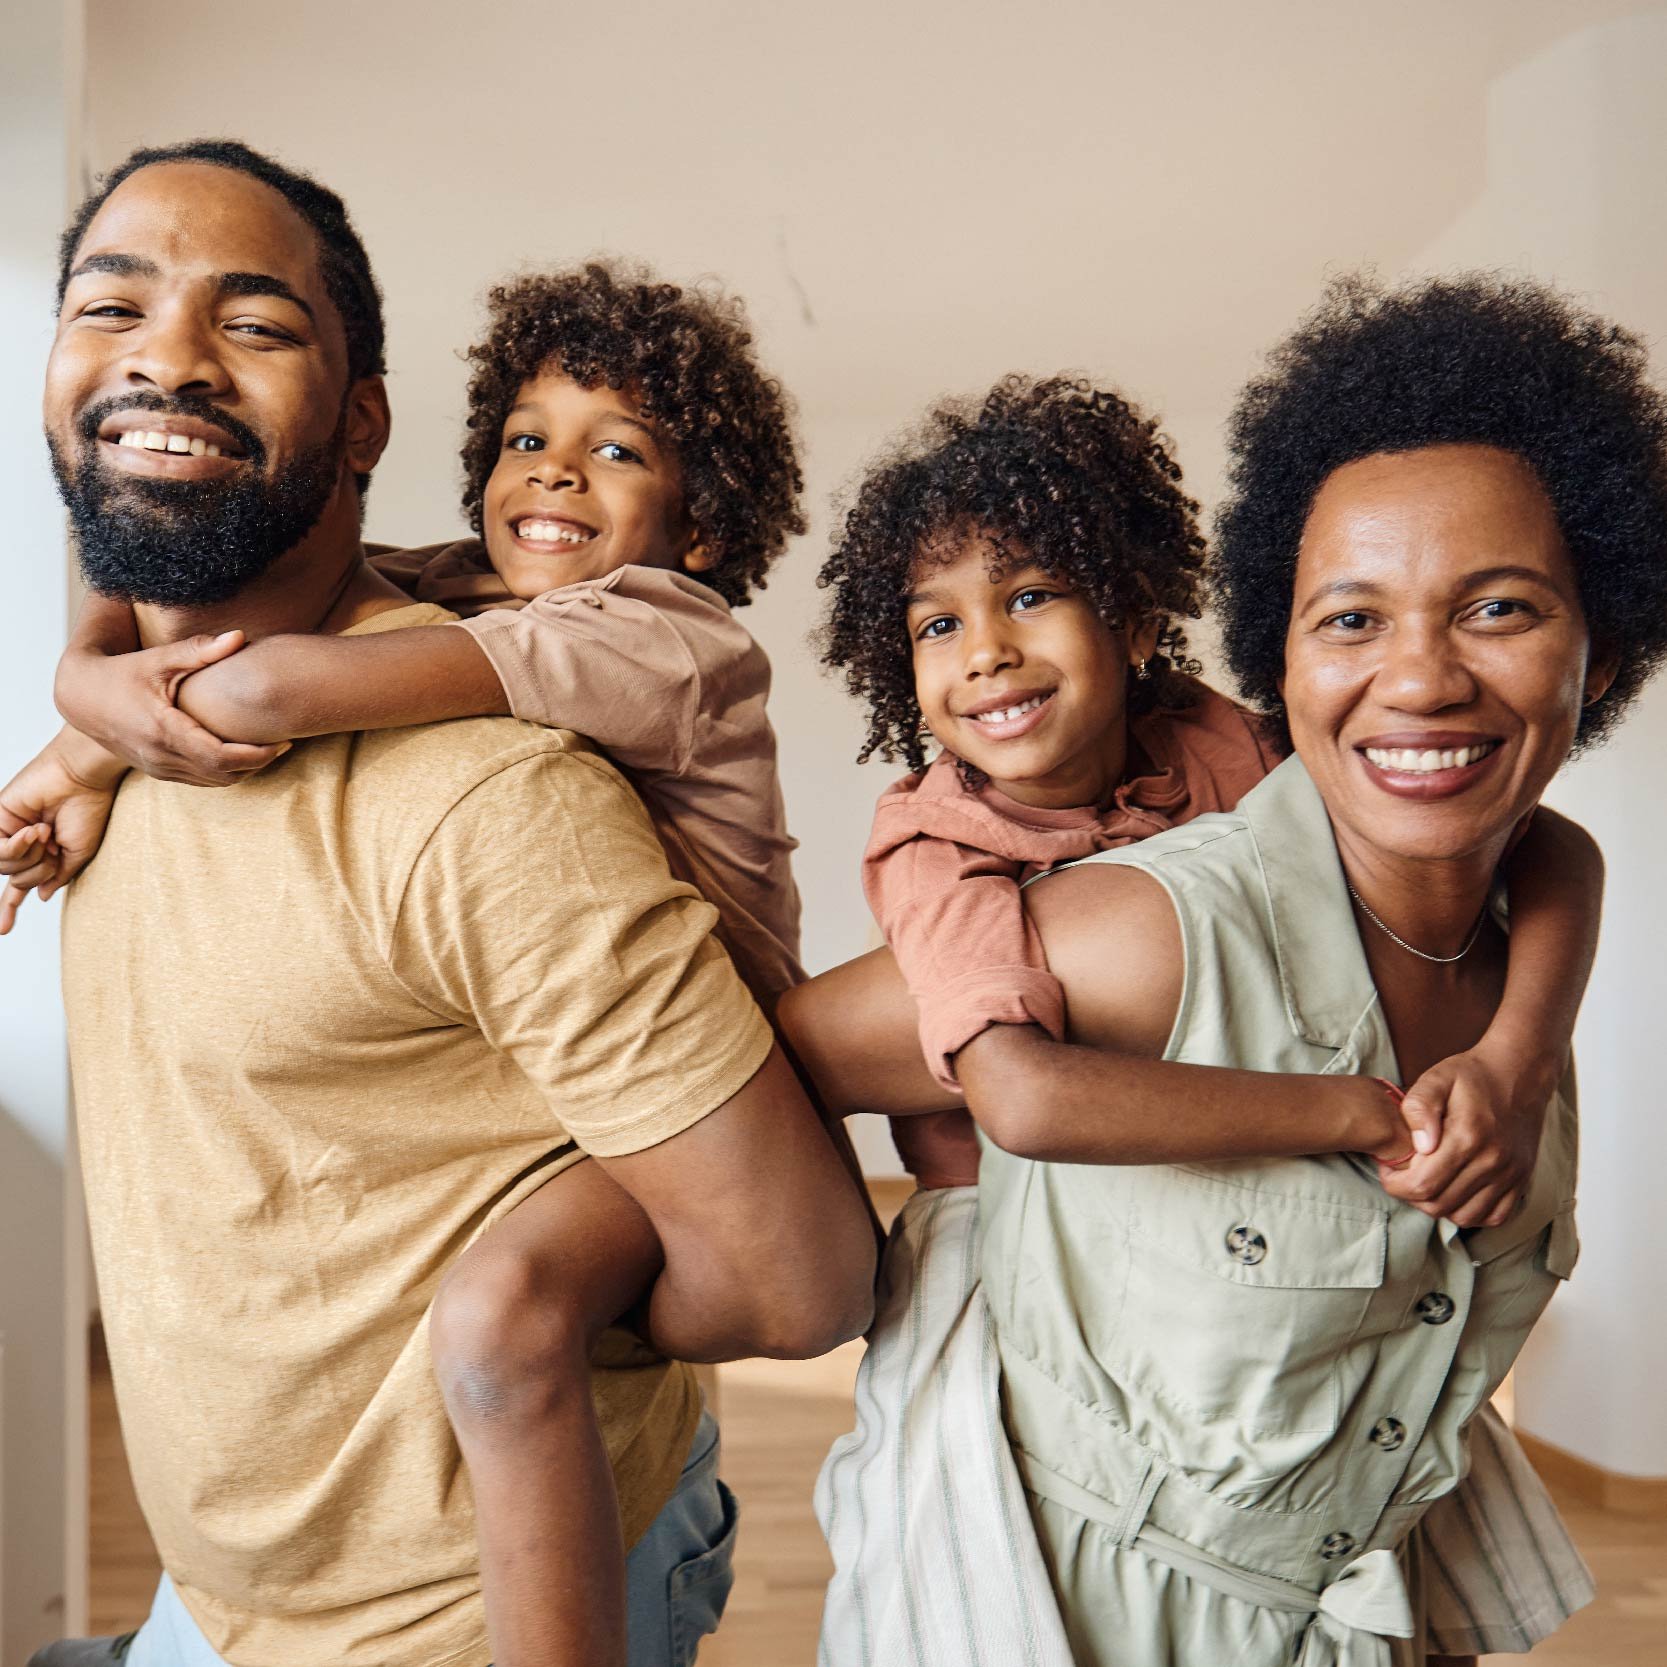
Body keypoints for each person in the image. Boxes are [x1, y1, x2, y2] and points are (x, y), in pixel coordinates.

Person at [1, 139, 876, 1667]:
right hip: (223, 1599)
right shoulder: (195, 712)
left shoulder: (502, 773)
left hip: (454, 1614)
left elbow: (800, 1281)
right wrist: (89, 711)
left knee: (509, 1318)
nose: (167, 363)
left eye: (254, 324)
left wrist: (100, 695)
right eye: (110, 309)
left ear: (360, 425)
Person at [784, 295, 1667, 1660]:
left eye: (1497, 607)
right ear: (1293, 653)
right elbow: (892, 1080)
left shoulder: (1242, 763)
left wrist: (1517, 1059)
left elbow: (1556, 850)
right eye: (1355, 619)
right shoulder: (1011, 888)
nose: (1419, 678)